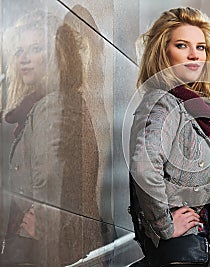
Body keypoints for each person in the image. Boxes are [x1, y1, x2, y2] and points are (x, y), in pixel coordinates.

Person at [129, 7, 210, 267]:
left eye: (201, 47)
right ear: (163, 52)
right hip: (184, 251)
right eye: (182, 45)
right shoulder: (163, 103)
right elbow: (144, 166)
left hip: (205, 247)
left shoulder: (193, 108)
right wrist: (164, 225)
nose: (194, 55)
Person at [0, 10, 102, 266]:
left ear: (58, 54)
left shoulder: (51, 105)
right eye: (20, 51)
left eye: (35, 49)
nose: (24, 59)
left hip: (45, 249)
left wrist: (42, 224)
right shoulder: (54, 102)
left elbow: (50, 178)